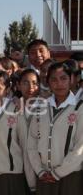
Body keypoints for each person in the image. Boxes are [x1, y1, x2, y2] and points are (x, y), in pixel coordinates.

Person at [27, 62, 83, 195]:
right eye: (54, 79)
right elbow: (32, 143)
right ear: (48, 83)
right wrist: (39, 170)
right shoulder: (40, 108)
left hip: (70, 175)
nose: (59, 83)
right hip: (44, 176)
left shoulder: (79, 108)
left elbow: (80, 147)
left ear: (71, 80)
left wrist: (58, 173)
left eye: (63, 78)